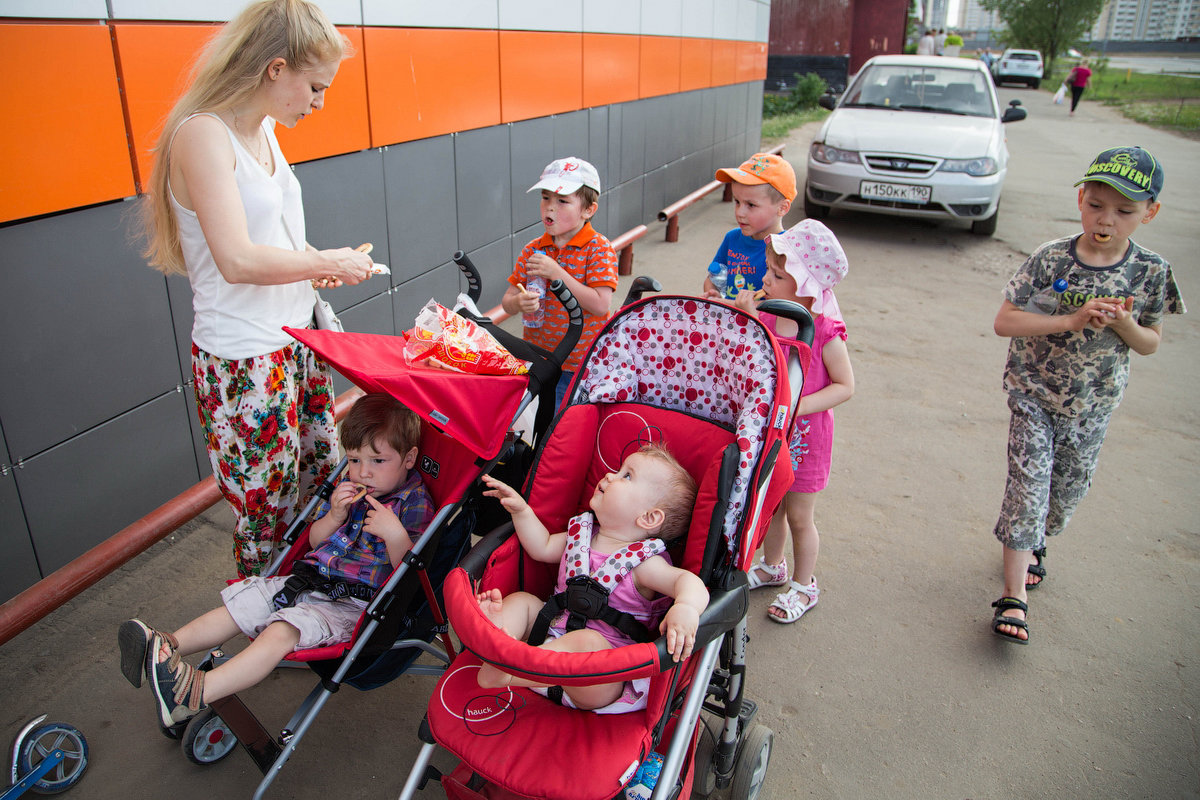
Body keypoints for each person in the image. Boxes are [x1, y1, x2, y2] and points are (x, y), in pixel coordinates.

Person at [139, 0, 377, 578]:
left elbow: (268, 239)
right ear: (277, 69)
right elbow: (237, 259)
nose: (320, 103)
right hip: (245, 355)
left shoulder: (264, 128)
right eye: (316, 87)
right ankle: (255, 614)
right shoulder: (203, 136)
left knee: (323, 476)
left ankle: (304, 595)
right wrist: (319, 259)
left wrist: (311, 268)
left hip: (295, 338)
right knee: (265, 509)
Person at [117, 393, 435, 727]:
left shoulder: (414, 504)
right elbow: (314, 542)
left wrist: (395, 535)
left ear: (409, 457)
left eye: (377, 461)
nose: (362, 473)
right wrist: (334, 517)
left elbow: (410, 575)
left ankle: (195, 692)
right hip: (308, 579)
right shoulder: (348, 490)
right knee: (244, 603)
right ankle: (165, 645)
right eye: (354, 460)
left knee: (280, 631)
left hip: (352, 605)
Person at [989, 146, 1185, 645]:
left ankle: (1036, 543)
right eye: (1097, 205)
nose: (1106, 220)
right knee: (1027, 492)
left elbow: (1151, 343)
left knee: (1063, 497)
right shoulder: (1051, 257)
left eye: (1124, 211)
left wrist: (1124, 324)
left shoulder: (1150, 272)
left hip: (1093, 405)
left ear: (1150, 213)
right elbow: (1005, 321)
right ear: (1081, 199)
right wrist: (1070, 320)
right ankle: (1014, 597)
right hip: (1033, 395)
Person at [475, 444, 708, 712]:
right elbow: (542, 546)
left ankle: (507, 670)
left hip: (598, 678)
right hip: (549, 638)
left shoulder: (645, 564)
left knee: (587, 643)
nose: (610, 475)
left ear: (649, 517)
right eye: (619, 470)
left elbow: (688, 582)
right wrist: (521, 511)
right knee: (522, 602)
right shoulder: (581, 537)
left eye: (627, 476)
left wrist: (686, 607)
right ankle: (498, 641)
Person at [733, 220, 855, 624]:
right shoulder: (769, 317)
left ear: (806, 285)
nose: (766, 278)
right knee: (771, 508)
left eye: (778, 275)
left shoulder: (823, 329)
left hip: (807, 438)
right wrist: (747, 317)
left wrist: (794, 406)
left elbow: (845, 386)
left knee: (800, 515)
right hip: (771, 433)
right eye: (768, 270)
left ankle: (805, 585)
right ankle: (772, 566)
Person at [500, 157, 618, 409]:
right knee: (532, 422)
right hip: (537, 359)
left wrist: (557, 273)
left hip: (579, 364)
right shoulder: (533, 249)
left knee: (563, 426)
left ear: (588, 210)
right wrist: (518, 302)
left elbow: (600, 304)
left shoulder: (598, 249)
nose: (550, 208)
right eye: (545, 198)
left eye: (562, 201)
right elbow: (507, 303)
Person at [702, 153, 796, 301]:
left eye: (751, 205)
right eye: (737, 202)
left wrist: (726, 304)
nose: (740, 213)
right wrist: (714, 294)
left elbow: (781, 306)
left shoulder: (788, 251)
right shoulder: (732, 238)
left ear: (782, 208)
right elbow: (713, 279)